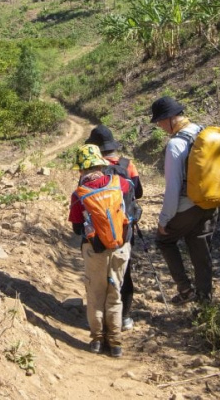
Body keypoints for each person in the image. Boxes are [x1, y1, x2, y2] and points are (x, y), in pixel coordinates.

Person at [150, 96, 216, 304]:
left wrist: (164, 220)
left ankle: (186, 290)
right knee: (200, 249)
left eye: (159, 121)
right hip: (211, 201)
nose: (159, 126)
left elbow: (173, 189)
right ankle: (205, 300)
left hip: (188, 206)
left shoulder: (176, 144)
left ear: (170, 118)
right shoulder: (203, 132)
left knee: (164, 240)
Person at [68, 144, 131, 357]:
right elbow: (130, 209)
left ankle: (96, 340)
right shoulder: (119, 183)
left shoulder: (79, 194)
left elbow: (77, 227)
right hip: (120, 247)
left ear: (81, 170)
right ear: (101, 164)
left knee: (95, 294)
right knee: (115, 294)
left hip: (94, 250)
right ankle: (115, 343)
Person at [85, 125, 143, 331]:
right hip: (124, 230)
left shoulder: (92, 170)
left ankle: (99, 323)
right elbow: (139, 193)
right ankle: (124, 318)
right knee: (124, 273)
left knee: (99, 278)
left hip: (96, 235)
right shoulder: (128, 165)